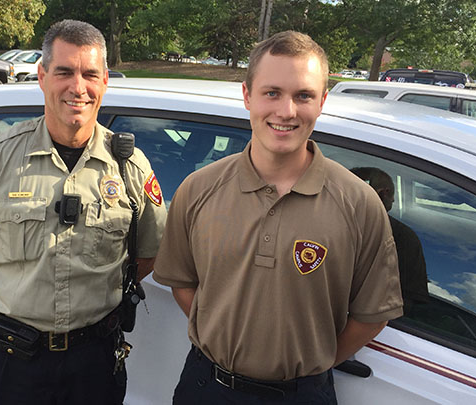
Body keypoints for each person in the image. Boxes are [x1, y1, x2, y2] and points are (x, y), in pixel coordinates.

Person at [152, 31, 403, 404]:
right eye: (272, 92)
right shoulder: (198, 189)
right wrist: (223, 333)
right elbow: (183, 284)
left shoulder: (359, 203)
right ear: (247, 96)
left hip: (303, 394)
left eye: (303, 95)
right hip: (207, 387)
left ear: (322, 102)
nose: (286, 111)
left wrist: (312, 363)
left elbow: (372, 314)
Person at [0, 19, 167, 404]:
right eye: (64, 72)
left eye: (90, 74)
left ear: (105, 80)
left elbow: (148, 254)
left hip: (93, 363)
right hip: (11, 360)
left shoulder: (131, 167)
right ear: (42, 76)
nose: (78, 87)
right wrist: (17, 293)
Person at [350, 167, 429, 316]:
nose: (393, 199)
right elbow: (410, 302)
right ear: (384, 193)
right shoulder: (404, 238)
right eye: (393, 194)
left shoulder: (325, 224)